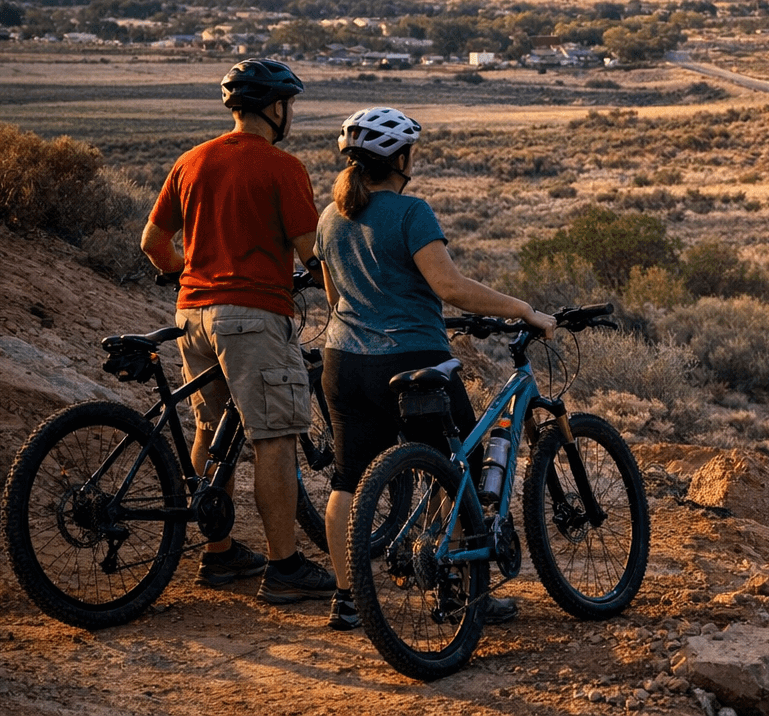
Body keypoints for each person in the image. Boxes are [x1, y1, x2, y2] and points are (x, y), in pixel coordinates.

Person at [315, 106, 556, 632]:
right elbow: (450, 287)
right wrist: (523, 309)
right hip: (413, 361)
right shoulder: (411, 212)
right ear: (400, 159)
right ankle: (462, 592)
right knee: (459, 466)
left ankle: (346, 598)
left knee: (347, 480)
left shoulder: (330, 216)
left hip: (344, 362)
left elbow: (334, 297)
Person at [140, 58, 337, 603]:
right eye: (289, 104)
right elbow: (310, 252)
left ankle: (219, 551)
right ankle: (285, 566)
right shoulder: (282, 167)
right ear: (274, 108)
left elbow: (152, 243)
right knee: (274, 438)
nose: (290, 113)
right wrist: (338, 295)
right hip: (253, 317)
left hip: (191, 316)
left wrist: (188, 272)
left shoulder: (191, 161)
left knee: (211, 429)